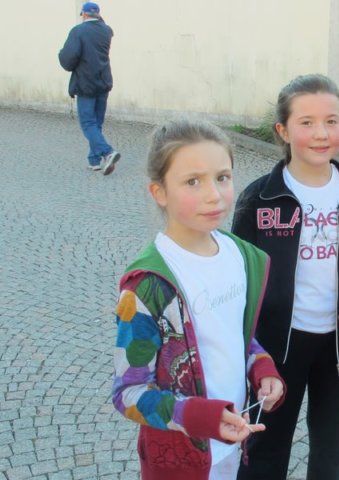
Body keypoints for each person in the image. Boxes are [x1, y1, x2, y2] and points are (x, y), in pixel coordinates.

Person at [232, 74, 339, 480]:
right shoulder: (258, 199)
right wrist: (242, 358)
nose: (322, 133)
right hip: (275, 349)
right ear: (283, 130)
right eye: (307, 122)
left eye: (331, 121)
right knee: (265, 444)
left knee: (329, 444)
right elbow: (237, 286)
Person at [111, 119, 285, 480]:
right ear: (159, 192)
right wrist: (200, 417)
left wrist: (262, 367)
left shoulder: (241, 256)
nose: (214, 195)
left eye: (222, 177)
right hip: (177, 459)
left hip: (232, 444)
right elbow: (128, 392)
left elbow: (234, 334)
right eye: (193, 181)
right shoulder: (148, 285)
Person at [58, 2, 121, 175]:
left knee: (88, 123)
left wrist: (61, 55)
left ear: (84, 14)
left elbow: (68, 59)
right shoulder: (106, 30)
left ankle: (108, 152)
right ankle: (94, 161)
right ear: (98, 14)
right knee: (96, 123)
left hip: (86, 83)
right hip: (104, 81)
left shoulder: (78, 31)